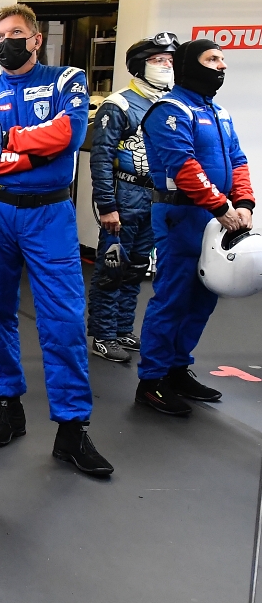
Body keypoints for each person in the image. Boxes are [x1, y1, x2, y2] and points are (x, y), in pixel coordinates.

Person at [0, 3, 112, 477]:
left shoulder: (67, 79)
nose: (6, 42)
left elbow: (70, 133)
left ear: (36, 38)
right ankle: (9, 406)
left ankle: (72, 427)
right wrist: (34, 148)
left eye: (15, 33)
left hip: (51, 214)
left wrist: (8, 141)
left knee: (63, 318)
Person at [136, 38, 254, 415]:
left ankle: (177, 369)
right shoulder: (169, 111)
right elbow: (183, 165)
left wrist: (245, 203)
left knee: (204, 298)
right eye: (212, 58)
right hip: (181, 217)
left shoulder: (218, 113)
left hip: (217, 219)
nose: (221, 65)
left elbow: (238, 160)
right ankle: (152, 380)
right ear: (190, 64)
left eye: (222, 59)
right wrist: (220, 206)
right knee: (173, 297)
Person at [86, 33, 177, 363]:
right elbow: (101, 157)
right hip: (124, 194)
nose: (165, 66)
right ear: (141, 65)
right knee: (113, 265)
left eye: (169, 61)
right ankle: (103, 334)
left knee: (138, 267)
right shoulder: (119, 104)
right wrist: (107, 205)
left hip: (155, 196)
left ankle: (123, 327)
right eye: (158, 60)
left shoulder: (169, 105)